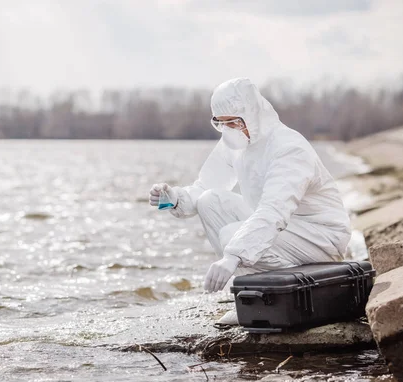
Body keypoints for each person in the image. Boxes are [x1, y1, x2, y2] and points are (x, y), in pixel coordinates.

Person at [149, 77, 351, 324]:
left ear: (252, 114)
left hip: (320, 237)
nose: (228, 130)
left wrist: (232, 257)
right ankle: (250, 297)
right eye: (220, 123)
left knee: (232, 237)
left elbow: (274, 211)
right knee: (209, 200)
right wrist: (172, 199)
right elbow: (205, 187)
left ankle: (268, 301)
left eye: (233, 122)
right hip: (284, 230)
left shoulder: (289, 148)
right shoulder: (235, 143)